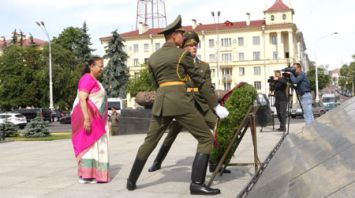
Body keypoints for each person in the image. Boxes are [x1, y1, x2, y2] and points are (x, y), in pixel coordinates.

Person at [126, 15, 229, 195]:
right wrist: (215, 106)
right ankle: (196, 184)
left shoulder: (153, 58)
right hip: (181, 103)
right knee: (206, 138)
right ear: (173, 35)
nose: (183, 37)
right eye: (181, 34)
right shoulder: (182, 54)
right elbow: (200, 82)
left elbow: (156, 83)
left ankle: (131, 180)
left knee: (149, 142)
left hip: (161, 102)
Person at [148, 31, 229, 174]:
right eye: (190, 46)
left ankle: (215, 163)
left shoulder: (204, 66)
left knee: (218, 128)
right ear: (183, 48)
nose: (193, 48)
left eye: (195, 46)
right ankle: (157, 162)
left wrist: (214, 105)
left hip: (202, 106)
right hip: (183, 105)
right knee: (170, 136)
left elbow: (208, 87)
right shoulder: (177, 63)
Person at [71, 56, 110, 184]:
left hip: (97, 120)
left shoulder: (95, 80)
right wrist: (87, 119)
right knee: (89, 146)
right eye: (99, 66)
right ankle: (87, 176)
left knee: (96, 146)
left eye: (102, 66)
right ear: (91, 66)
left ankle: (96, 174)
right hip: (90, 120)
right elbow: (82, 98)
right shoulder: (87, 78)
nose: (101, 69)